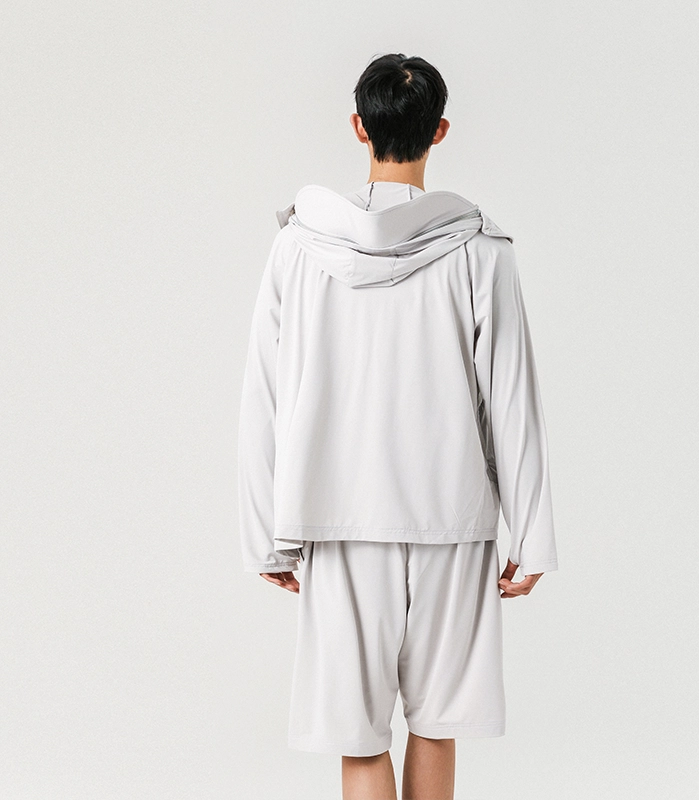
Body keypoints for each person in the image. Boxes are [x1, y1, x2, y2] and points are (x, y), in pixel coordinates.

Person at [237, 52, 559, 800]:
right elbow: (512, 397)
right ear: (439, 130)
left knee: (357, 736)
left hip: (335, 517)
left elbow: (265, 393)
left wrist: (264, 534)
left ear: (359, 127)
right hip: (451, 518)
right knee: (437, 724)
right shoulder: (481, 250)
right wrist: (533, 534)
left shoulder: (297, 247)